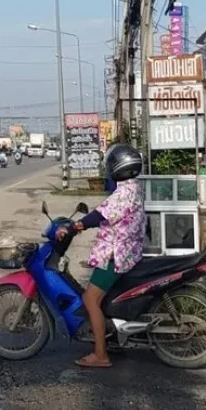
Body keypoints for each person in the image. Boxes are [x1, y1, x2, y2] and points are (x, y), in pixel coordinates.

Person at [56, 144, 145, 369]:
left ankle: (100, 355)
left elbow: (98, 215)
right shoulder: (134, 186)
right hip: (127, 250)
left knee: (90, 299)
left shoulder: (124, 193)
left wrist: (76, 225)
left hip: (116, 255)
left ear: (118, 168)